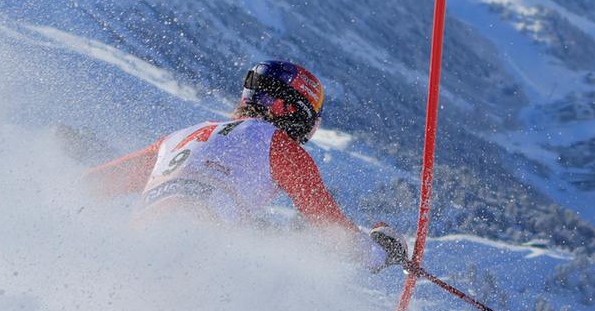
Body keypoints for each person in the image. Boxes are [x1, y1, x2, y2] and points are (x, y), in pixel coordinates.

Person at [84, 60, 409, 272]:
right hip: (187, 264)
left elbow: (95, 184)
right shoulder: (281, 148)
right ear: (295, 111)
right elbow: (329, 226)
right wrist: (381, 252)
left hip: (127, 256)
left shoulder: (180, 136)